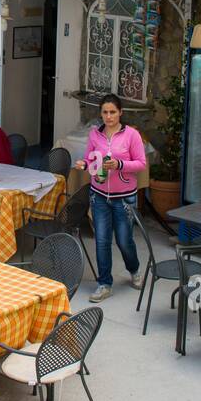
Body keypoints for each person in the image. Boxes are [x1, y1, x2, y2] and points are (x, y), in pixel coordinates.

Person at [74, 93, 146, 302]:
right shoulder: (94, 135)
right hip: (98, 197)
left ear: (120, 112)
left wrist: (119, 164)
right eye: (105, 112)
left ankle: (134, 270)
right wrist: (84, 165)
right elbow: (91, 160)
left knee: (124, 241)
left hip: (124, 198)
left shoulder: (131, 135)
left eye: (112, 112)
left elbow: (141, 163)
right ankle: (104, 284)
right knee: (102, 241)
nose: (109, 116)